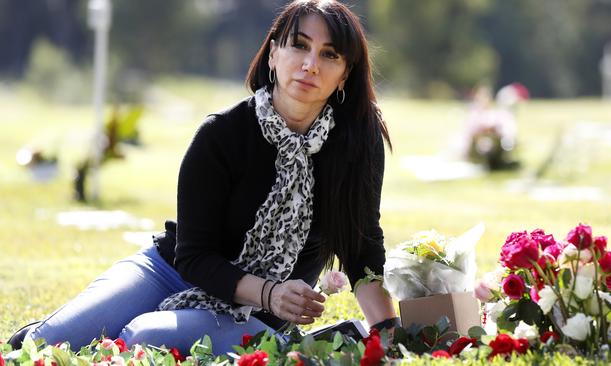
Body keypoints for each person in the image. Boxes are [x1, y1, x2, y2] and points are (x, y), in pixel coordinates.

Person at [13, 0, 397, 356]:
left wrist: (388, 333)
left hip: (253, 312)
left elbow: (362, 244)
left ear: (345, 74)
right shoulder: (222, 134)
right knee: (41, 345)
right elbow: (193, 257)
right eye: (299, 45)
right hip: (171, 271)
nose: (310, 64)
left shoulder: (357, 143)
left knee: (143, 338)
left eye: (329, 54)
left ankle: (282, 341)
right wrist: (271, 291)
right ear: (274, 53)